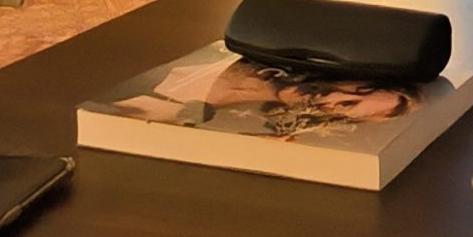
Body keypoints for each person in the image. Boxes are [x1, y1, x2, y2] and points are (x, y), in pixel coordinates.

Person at [111, 50, 413, 142]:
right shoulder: (266, 54)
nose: (334, 94)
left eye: (346, 106)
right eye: (360, 89)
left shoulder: (196, 116)